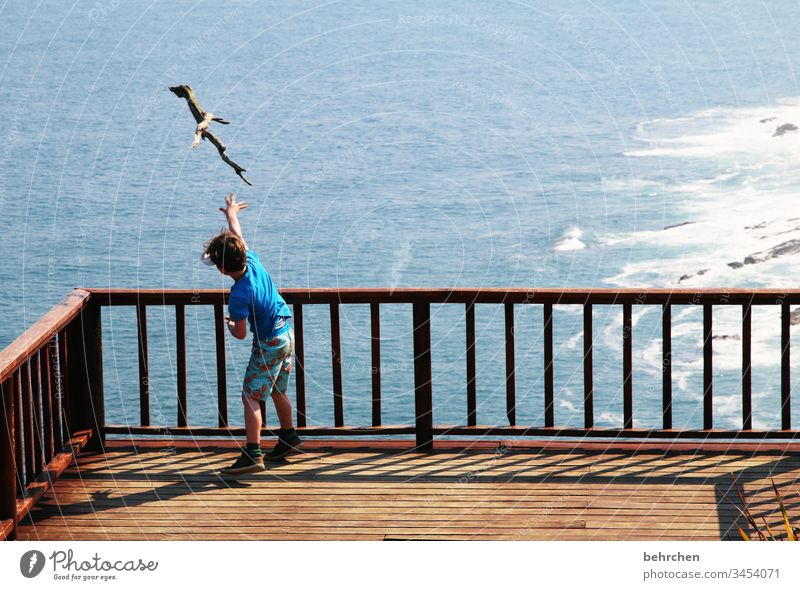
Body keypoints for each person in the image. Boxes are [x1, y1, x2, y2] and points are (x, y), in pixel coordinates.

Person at [203, 192, 303, 474]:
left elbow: (241, 334)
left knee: (251, 395)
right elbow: (238, 238)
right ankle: (289, 437)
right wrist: (231, 215)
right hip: (286, 334)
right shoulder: (254, 261)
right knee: (277, 389)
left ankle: (252, 452)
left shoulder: (238, 294)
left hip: (269, 342)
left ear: (222, 269)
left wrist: (231, 324)